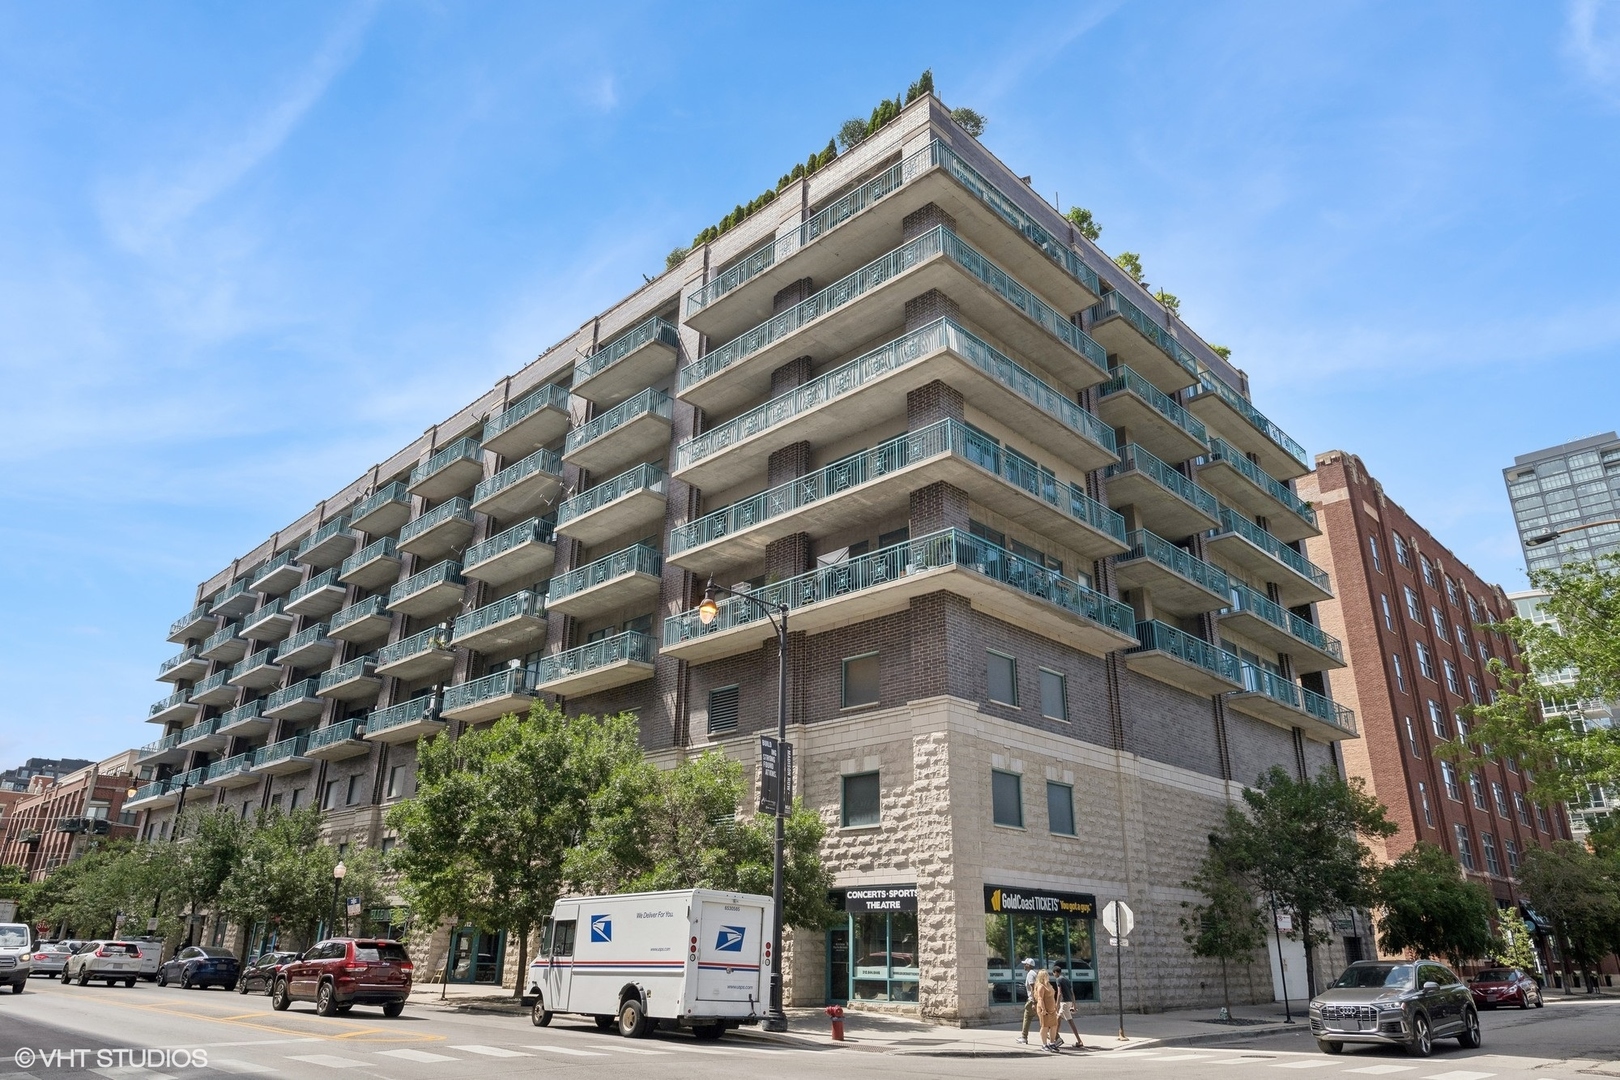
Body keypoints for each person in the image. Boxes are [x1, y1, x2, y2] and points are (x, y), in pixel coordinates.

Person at [1052, 965, 1085, 1048]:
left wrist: (1057, 1004)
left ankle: (1079, 1041)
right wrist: (1074, 1005)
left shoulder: (1058, 979)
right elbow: (1072, 992)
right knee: (1058, 1019)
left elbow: (1059, 993)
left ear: (1056, 972)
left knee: (1069, 1021)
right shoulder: (1066, 979)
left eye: (1054, 973)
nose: (1054, 975)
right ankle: (1055, 1037)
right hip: (1069, 1002)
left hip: (1064, 1003)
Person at [1034, 968, 1060, 1052]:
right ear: (1042, 976)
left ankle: (1052, 1043)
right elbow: (1040, 999)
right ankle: (1044, 1044)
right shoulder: (1041, 986)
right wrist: (1043, 1009)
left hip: (1052, 1009)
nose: (1047, 976)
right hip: (1044, 1010)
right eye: (1046, 975)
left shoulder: (1049, 985)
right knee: (1044, 1026)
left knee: (1054, 1025)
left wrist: (1055, 1005)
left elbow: (1052, 996)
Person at [1016, 958, 1038, 1044]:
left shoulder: (1030, 974)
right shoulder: (1034, 973)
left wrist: (1033, 1001)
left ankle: (1024, 1037)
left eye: (1025, 964)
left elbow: (1033, 987)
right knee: (1042, 1019)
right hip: (1035, 999)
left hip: (1032, 1000)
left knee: (1027, 1017)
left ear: (1028, 965)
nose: (1024, 966)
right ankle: (1055, 1037)